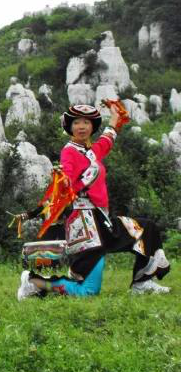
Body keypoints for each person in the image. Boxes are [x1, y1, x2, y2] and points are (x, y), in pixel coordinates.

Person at [16, 104, 171, 300]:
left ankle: (142, 282)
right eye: (76, 123)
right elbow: (66, 179)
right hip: (84, 225)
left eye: (86, 122)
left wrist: (114, 119)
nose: (81, 126)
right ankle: (34, 282)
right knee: (88, 291)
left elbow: (106, 140)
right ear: (70, 127)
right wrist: (65, 182)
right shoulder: (69, 152)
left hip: (101, 219)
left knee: (145, 230)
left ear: (92, 126)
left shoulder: (91, 151)